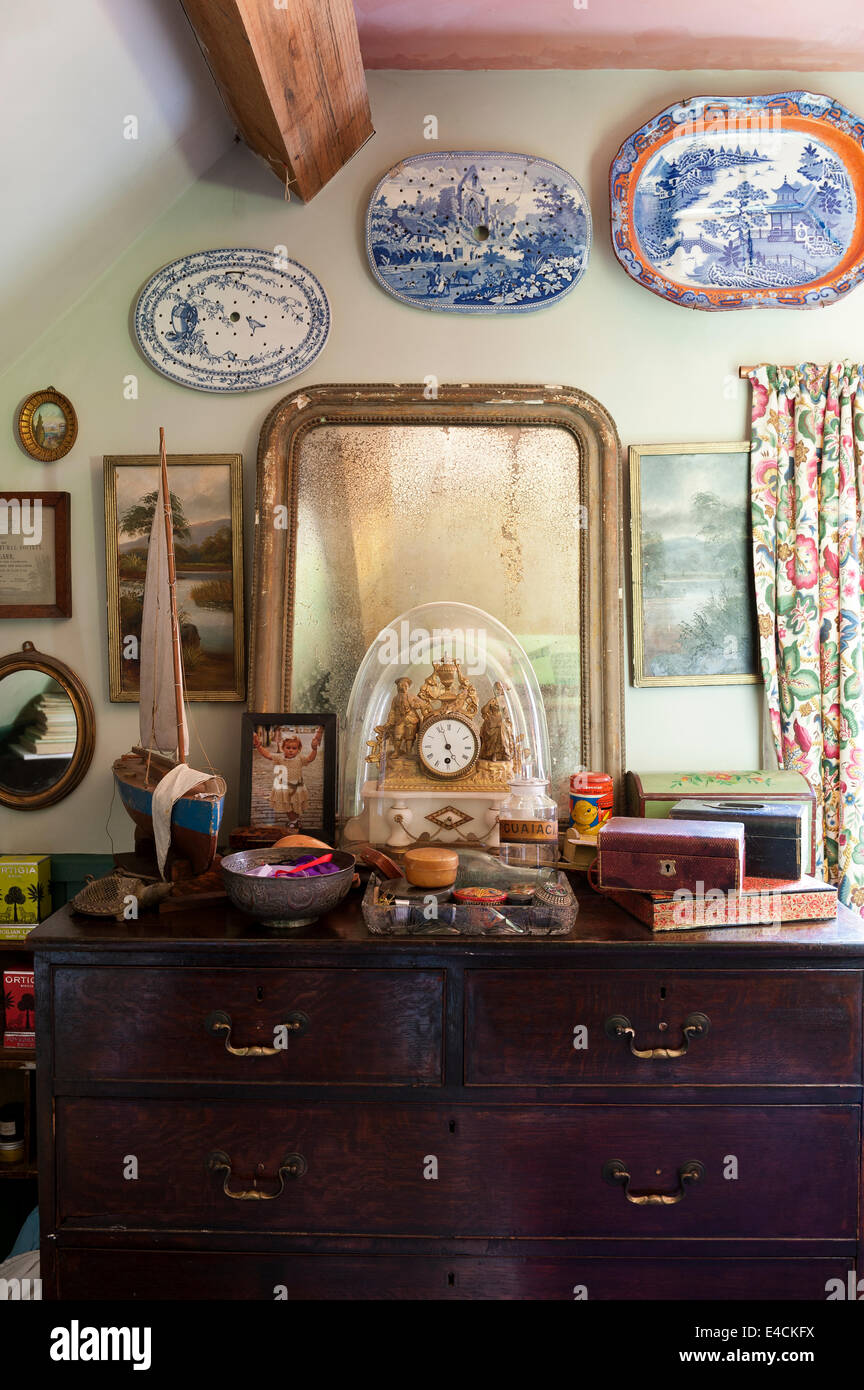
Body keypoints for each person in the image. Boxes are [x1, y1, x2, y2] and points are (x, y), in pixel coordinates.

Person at [252, 726, 322, 819]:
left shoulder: (300, 758)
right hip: (284, 788)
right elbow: (268, 755)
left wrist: (314, 749)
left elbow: (310, 759)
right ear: (283, 748)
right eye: (288, 747)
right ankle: (293, 821)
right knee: (288, 807)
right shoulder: (280, 757)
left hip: (297, 787)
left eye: (294, 748)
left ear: (298, 749)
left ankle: (295, 820)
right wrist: (259, 747)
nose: (291, 750)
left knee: (296, 806)